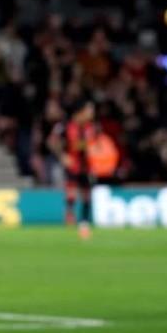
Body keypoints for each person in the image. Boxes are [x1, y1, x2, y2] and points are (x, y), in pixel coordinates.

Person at [58, 99, 97, 239]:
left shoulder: (90, 127)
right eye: (89, 110)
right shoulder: (67, 126)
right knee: (72, 193)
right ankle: (69, 218)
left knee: (87, 194)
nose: (92, 113)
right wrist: (62, 155)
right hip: (73, 165)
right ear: (81, 112)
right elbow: (54, 141)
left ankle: (84, 224)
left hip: (86, 166)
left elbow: (89, 145)